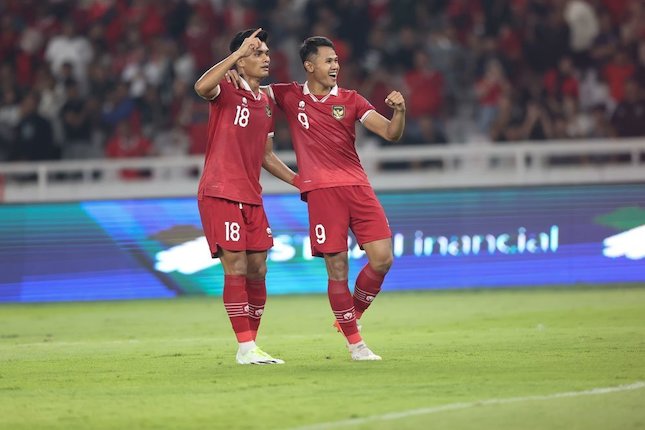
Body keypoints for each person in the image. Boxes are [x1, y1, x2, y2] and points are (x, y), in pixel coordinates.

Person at [229, 36, 406, 361]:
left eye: (336, 60)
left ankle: (350, 316)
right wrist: (233, 72)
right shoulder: (288, 94)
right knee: (337, 269)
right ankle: (356, 346)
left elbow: (390, 133)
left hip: (358, 187)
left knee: (383, 259)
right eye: (328, 60)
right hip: (323, 193)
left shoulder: (352, 99)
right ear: (309, 66)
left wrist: (399, 112)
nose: (335, 65)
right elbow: (250, 87)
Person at [194, 28, 297, 365]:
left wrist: (301, 181)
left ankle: (251, 346)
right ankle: (246, 347)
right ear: (239, 60)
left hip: (252, 195)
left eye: (266, 52)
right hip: (220, 191)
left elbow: (267, 156)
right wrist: (236, 55)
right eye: (256, 52)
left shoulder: (266, 102)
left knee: (258, 268)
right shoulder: (225, 88)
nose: (265, 58)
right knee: (236, 265)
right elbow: (201, 87)